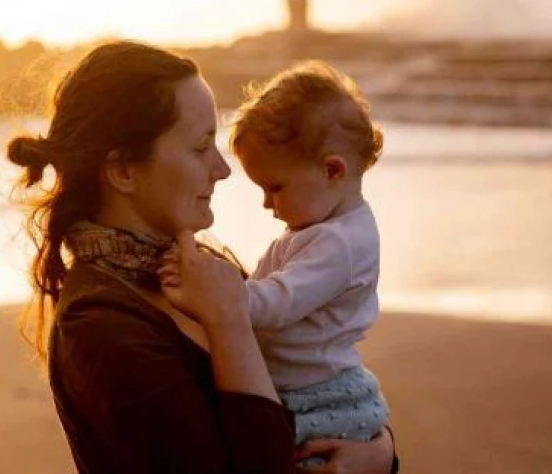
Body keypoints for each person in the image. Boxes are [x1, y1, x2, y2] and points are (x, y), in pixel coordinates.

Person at [6, 41, 398, 473]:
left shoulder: (198, 269)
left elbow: (315, 393)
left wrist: (380, 452)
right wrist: (227, 322)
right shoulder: (102, 329)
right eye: (200, 147)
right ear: (123, 171)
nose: (223, 169)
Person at [165, 61, 389, 464]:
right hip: (301, 388)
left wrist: (219, 294)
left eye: (275, 188)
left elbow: (281, 300)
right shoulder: (322, 227)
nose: (267, 204)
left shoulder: (340, 243)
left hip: (317, 398)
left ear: (332, 170)